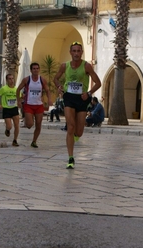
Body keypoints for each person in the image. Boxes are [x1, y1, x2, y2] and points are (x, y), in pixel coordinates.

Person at [54, 41, 101, 169]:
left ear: (81, 52)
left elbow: (98, 82)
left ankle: (76, 135)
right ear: (70, 52)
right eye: (73, 51)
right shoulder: (65, 66)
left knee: (79, 132)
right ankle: (70, 158)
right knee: (70, 127)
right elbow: (56, 78)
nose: (76, 53)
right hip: (69, 97)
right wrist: (59, 87)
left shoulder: (87, 66)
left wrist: (89, 93)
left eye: (78, 51)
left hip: (82, 98)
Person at [17, 62, 52, 148]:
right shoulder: (26, 80)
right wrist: (18, 100)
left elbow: (47, 90)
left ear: (39, 70)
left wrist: (49, 100)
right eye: (34, 69)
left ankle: (34, 141)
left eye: (37, 68)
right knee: (29, 125)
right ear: (31, 70)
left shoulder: (42, 80)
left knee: (39, 124)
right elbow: (18, 89)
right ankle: (28, 119)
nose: (36, 70)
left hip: (39, 105)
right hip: (29, 104)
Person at [0, 74, 20, 147]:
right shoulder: (4, 89)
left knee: (17, 125)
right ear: (7, 80)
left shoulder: (16, 89)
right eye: (9, 79)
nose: (11, 80)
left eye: (12, 78)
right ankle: (7, 130)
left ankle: (15, 140)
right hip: (6, 109)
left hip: (14, 108)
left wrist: (20, 102)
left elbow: (20, 96)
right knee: (9, 126)